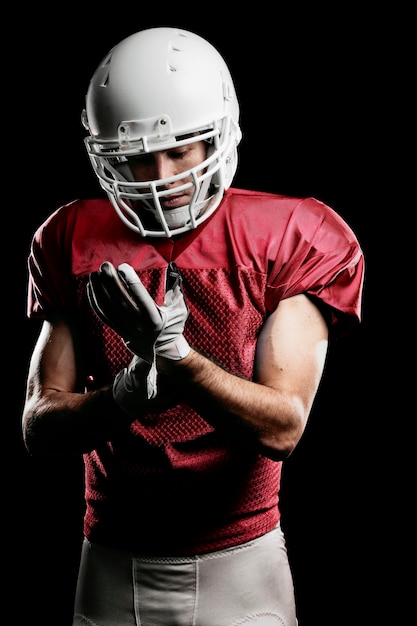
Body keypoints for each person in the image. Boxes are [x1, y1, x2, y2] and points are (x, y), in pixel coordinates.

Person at [22, 26, 365, 626]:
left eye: (180, 149)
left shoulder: (292, 235)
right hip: (110, 559)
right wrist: (128, 390)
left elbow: (283, 427)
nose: (161, 177)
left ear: (222, 136)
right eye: (134, 156)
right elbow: (40, 427)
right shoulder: (70, 236)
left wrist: (177, 359)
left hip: (244, 563)